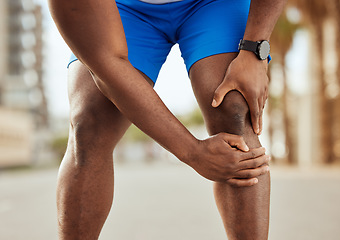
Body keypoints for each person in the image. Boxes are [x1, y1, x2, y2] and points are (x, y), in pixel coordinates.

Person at [48, 0, 286, 239]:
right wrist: (193, 152)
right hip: (123, 8)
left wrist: (254, 49)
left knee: (234, 106)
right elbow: (106, 64)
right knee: (89, 121)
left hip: (215, 4)